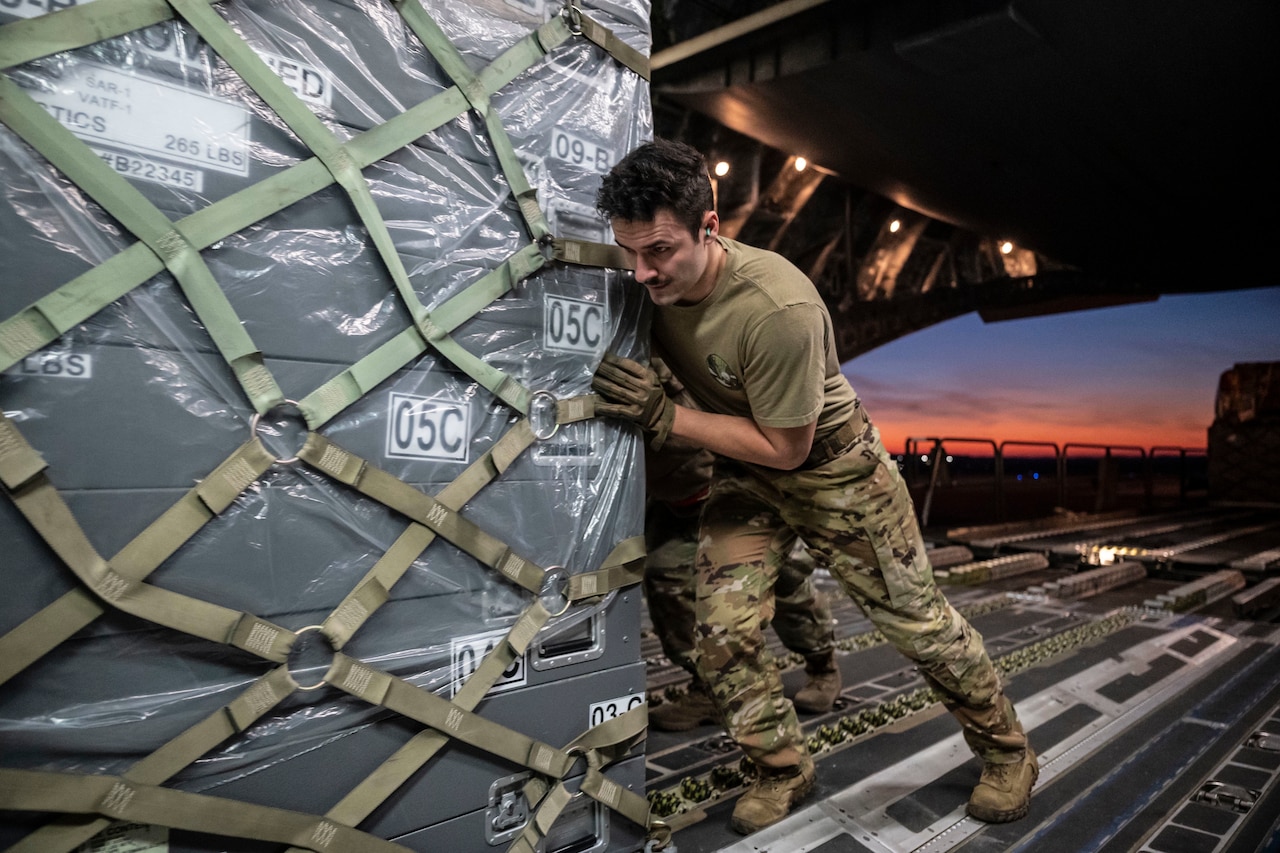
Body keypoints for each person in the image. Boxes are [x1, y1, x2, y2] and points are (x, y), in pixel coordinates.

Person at [590, 139, 1037, 835]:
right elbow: (752, 448)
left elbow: (787, 445)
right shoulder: (651, 284)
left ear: (710, 226)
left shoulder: (776, 308)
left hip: (834, 469)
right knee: (722, 635)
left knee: (919, 626)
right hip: (746, 474)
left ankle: (1009, 753)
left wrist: (664, 415)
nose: (642, 272)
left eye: (660, 251)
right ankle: (781, 766)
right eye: (630, 252)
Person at [644, 365, 842, 730]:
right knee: (666, 579)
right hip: (676, 498)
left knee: (784, 583)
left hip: (739, 486)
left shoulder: (681, 347)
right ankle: (711, 688)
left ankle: (822, 663)